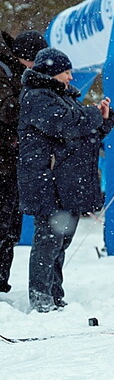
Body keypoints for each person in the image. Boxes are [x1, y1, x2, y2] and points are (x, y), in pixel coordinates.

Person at [18, 47, 114, 312]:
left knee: (60, 241)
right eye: (66, 72)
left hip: (64, 183)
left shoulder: (60, 96)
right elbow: (65, 124)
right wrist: (94, 115)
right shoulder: (38, 97)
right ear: (51, 72)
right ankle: (41, 298)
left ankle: (54, 295)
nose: (71, 77)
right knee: (48, 242)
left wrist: (103, 121)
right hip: (47, 182)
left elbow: (81, 134)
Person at [0, 30, 47, 294]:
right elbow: (8, 111)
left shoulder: (18, 73)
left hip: (13, 164)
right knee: (3, 227)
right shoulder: (6, 72)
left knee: (10, 230)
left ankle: (1, 283)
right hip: (4, 162)